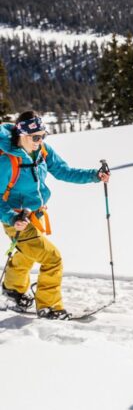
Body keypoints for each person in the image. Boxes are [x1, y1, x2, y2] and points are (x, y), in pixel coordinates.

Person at [0, 111, 110, 319]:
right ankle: (49, 307)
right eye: (36, 137)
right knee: (52, 258)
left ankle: (13, 289)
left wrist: (94, 176)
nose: (40, 140)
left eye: (43, 135)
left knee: (27, 253)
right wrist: (12, 218)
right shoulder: (6, 162)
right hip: (17, 219)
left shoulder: (42, 150)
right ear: (21, 134)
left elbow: (64, 171)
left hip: (36, 215)